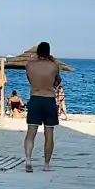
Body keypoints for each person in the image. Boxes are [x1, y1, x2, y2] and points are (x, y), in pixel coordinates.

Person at [22, 40, 62, 173]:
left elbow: (30, 80)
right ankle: (46, 165)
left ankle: (28, 160)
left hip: (35, 98)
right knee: (49, 134)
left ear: (37, 51)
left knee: (31, 133)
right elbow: (56, 81)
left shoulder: (29, 65)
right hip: (49, 100)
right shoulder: (54, 66)